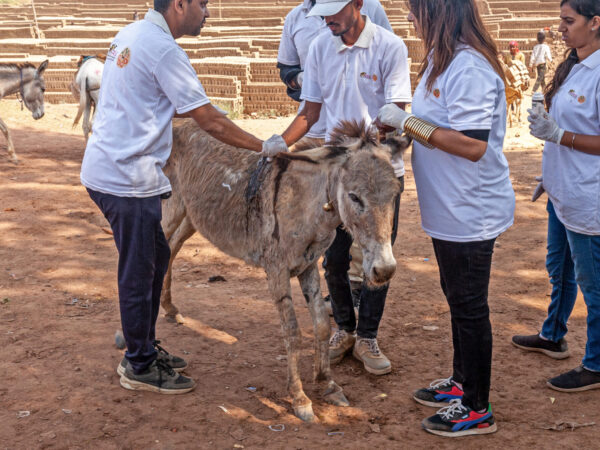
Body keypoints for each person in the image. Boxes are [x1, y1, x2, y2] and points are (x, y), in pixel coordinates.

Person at [80, 0, 287, 394]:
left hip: (110, 167)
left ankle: (142, 344)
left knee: (155, 257)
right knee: (140, 271)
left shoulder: (133, 33)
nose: (207, 12)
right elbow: (207, 120)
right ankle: (138, 364)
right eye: (203, 4)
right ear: (179, 4)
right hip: (127, 178)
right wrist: (263, 147)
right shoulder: (163, 49)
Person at [377, 0, 515, 437]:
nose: (410, 20)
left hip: (470, 210)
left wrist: (409, 123)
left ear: (438, 14)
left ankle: (477, 407)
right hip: (449, 209)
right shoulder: (442, 61)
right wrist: (404, 128)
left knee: (470, 306)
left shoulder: (469, 68)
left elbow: (473, 146)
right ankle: (461, 383)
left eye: (415, 12)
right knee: (458, 300)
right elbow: (439, 127)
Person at [278, 0, 411, 375]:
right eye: (323, 13)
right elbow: (310, 112)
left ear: (357, 4)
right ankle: (345, 329)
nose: (327, 20)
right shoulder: (321, 46)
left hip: (381, 173)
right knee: (333, 259)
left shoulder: (389, 47)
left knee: (379, 256)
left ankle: (368, 336)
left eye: (334, 11)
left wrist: (364, 145)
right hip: (336, 177)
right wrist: (279, 142)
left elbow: (395, 109)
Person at [513, 0, 600, 393]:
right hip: (562, 190)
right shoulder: (574, 67)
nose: (560, 28)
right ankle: (553, 335)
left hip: (588, 196)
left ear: (595, 23)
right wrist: (550, 173)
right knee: (559, 269)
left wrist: (559, 136)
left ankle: (596, 363)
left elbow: (572, 134)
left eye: (569, 21)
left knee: (593, 283)